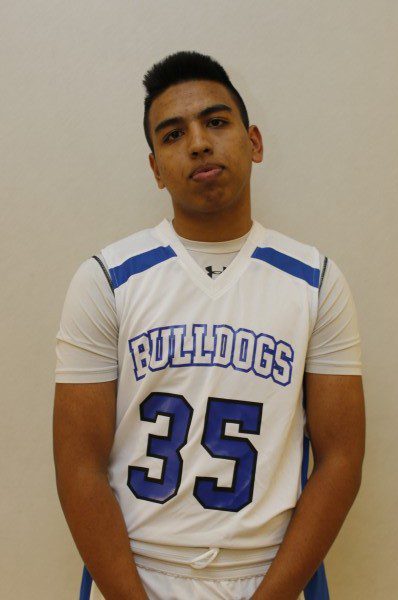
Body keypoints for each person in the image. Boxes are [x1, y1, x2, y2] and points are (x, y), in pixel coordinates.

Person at [53, 50, 365, 600]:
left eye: (216, 122)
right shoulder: (106, 278)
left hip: (267, 574)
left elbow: (341, 458)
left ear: (255, 142)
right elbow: (79, 465)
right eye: (173, 135)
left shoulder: (316, 280)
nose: (198, 143)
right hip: (137, 571)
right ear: (155, 169)